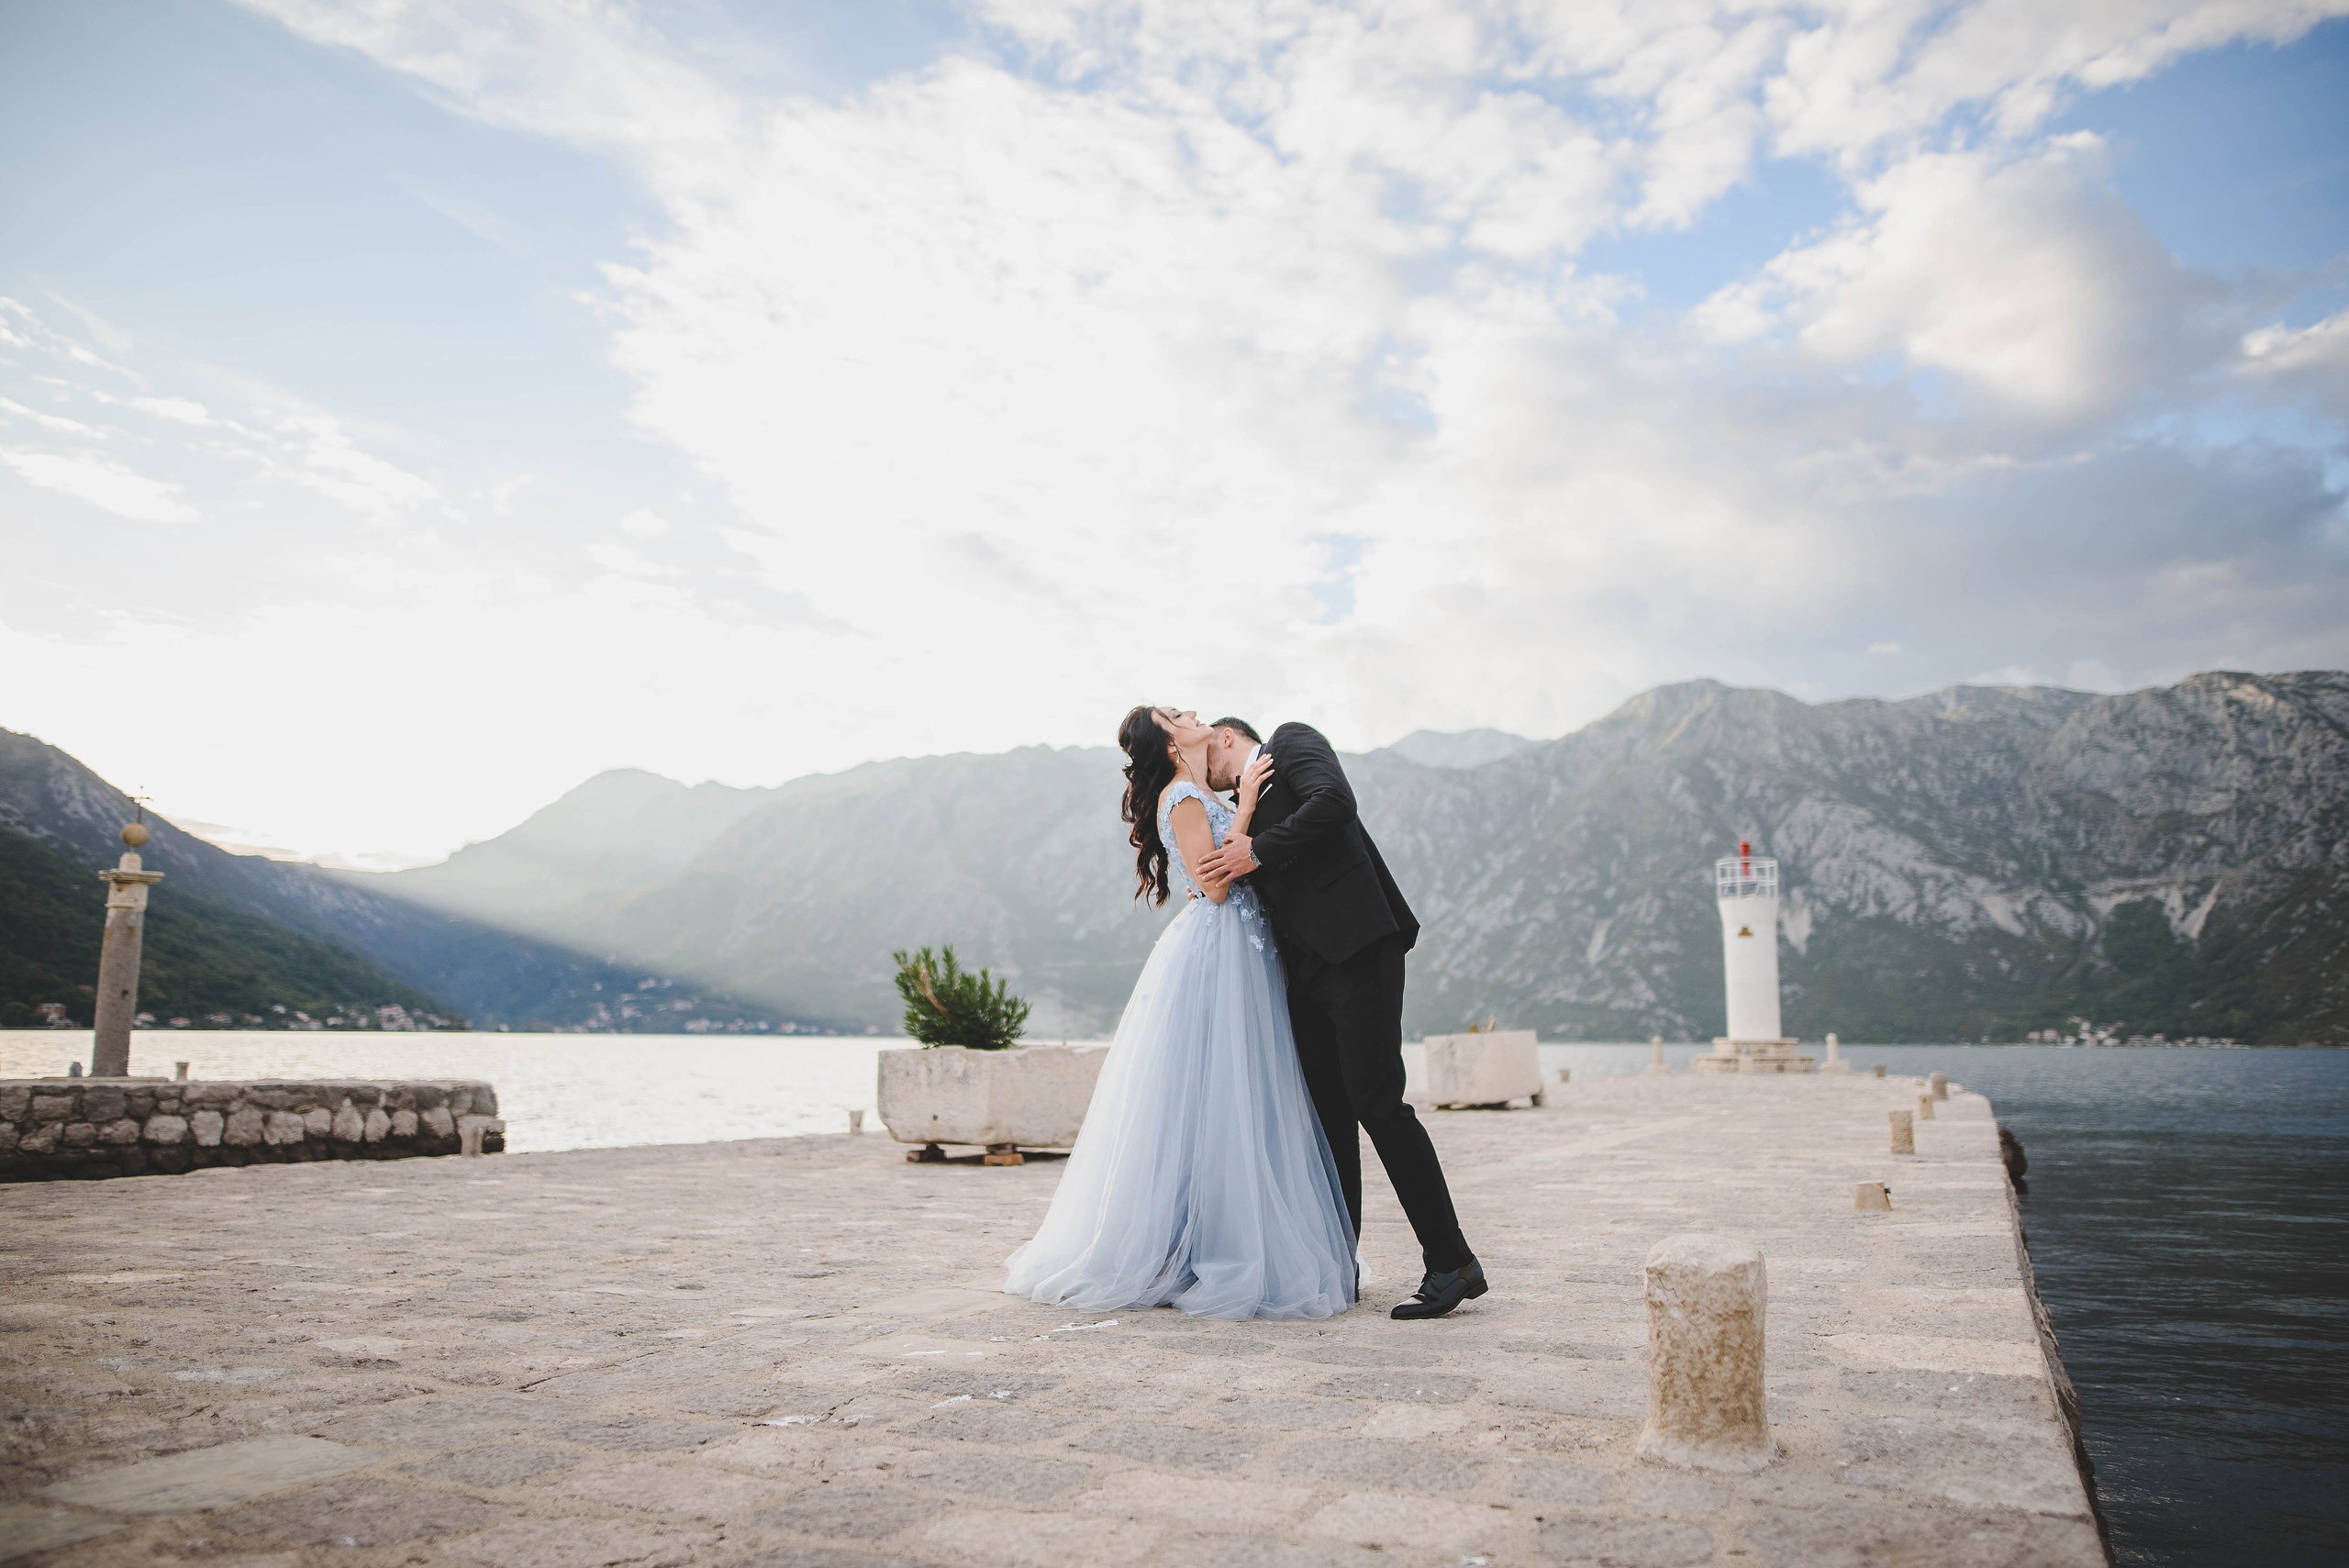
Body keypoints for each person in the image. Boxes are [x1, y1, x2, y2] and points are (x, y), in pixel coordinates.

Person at [1003, 706, 1356, 1320]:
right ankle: (1189, 1247)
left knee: (1233, 1098)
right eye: (1175, 714)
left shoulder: (1188, 790)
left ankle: (1214, 1237)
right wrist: (1245, 807)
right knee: (1210, 1097)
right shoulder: (1184, 794)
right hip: (1219, 951)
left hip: (1243, 947)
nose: (1190, 713)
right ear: (1169, 743)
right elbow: (1213, 885)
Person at [1193, 717, 1484, 1319]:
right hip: (1303, 976)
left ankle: (1453, 1261)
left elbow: (1335, 802)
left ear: (1226, 736)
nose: (1209, 776)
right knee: (1327, 1122)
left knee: (1380, 1106)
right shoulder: (1237, 808)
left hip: (1359, 950)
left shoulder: (1291, 740)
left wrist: (1261, 850)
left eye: (1208, 758)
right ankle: (1336, 1264)